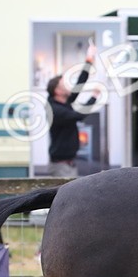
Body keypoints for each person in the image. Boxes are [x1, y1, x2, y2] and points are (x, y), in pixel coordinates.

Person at [45, 47, 97, 178]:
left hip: (68, 164)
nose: (68, 86)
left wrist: (88, 61)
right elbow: (79, 115)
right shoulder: (55, 110)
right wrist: (94, 97)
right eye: (64, 85)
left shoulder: (63, 102)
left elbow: (79, 85)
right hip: (60, 167)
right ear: (57, 91)